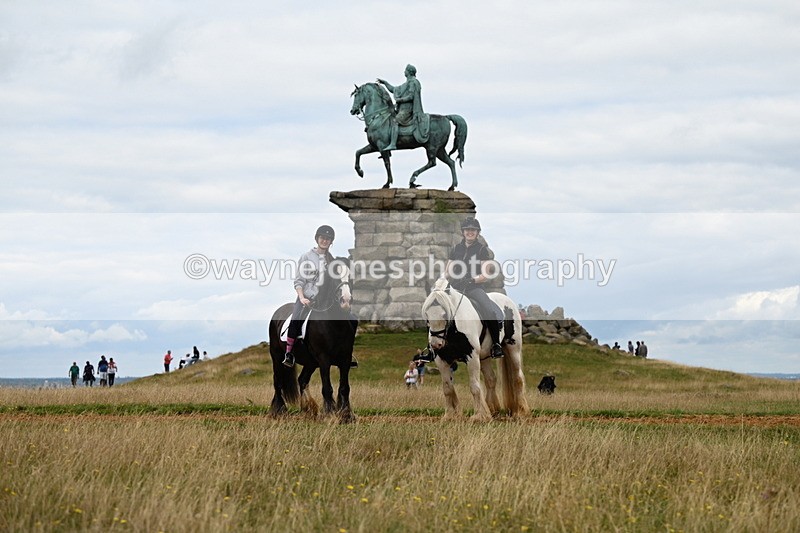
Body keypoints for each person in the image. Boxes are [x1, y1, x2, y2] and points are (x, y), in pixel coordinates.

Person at [445, 217, 505, 359]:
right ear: (463, 232)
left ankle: (496, 344)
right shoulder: (455, 249)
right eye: (467, 230)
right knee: (438, 307)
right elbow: (448, 271)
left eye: (473, 230)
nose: (470, 232)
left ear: (477, 233)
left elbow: (485, 274)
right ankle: (433, 347)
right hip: (455, 287)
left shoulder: (482, 250)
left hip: (473, 287)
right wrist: (444, 281)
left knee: (488, 310)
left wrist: (472, 280)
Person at [283, 225, 336, 368]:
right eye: (322, 238)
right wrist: (301, 297)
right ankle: (289, 353)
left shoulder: (332, 260)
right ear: (317, 239)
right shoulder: (306, 257)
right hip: (307, 298)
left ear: (331, 242)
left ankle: (344, 354)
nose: (324, 241)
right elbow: (299, 281)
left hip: (324, 301)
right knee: (296, 318)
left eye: (328, 239)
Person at [376, 64, 430, 151]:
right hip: (401, 109)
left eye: (405, 70)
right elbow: (393, 89)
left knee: (395, 121)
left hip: (408, 110)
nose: (404, 71)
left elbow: (411, 96)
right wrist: (385, 83)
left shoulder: (413, 82)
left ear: (409, 72)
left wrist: (400, 100)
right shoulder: (406, 84)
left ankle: (393, 144)